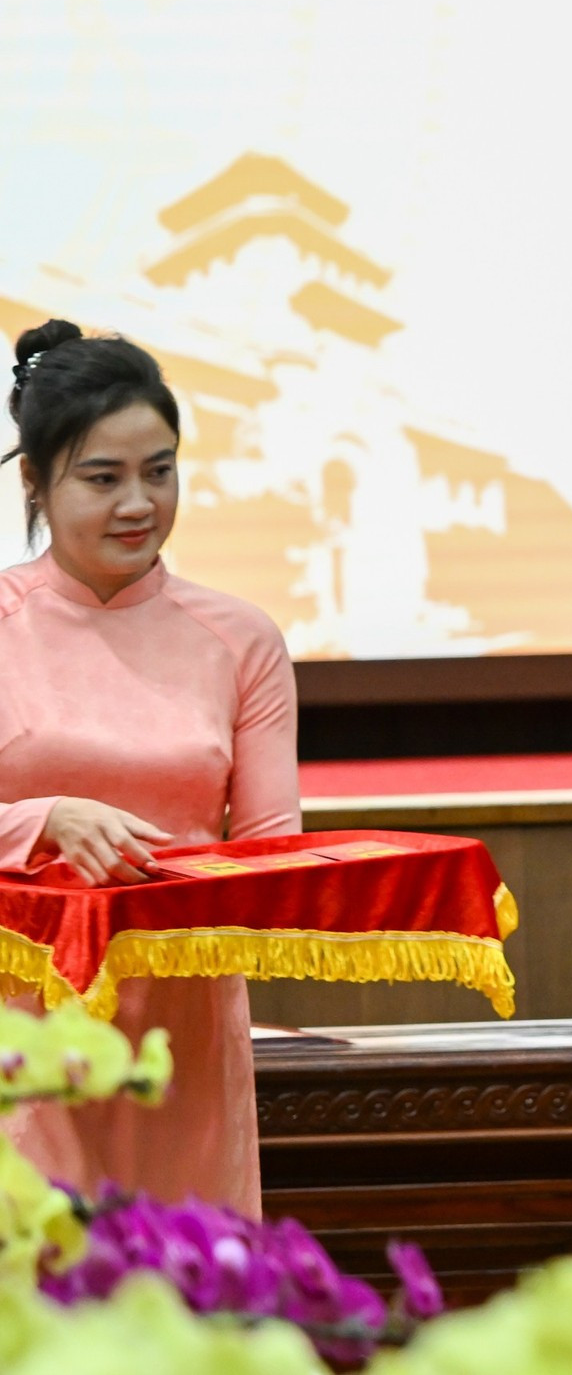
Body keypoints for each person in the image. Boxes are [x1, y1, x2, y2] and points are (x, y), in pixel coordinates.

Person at [0, 320, 298, 1216]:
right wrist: (41, 819)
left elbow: (273, 846)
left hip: (187, 1027)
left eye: (159, 471)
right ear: (35, 482)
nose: (139, 503)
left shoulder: (241, 640)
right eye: (103, 478)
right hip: (21, 1025)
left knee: (189, 1296)